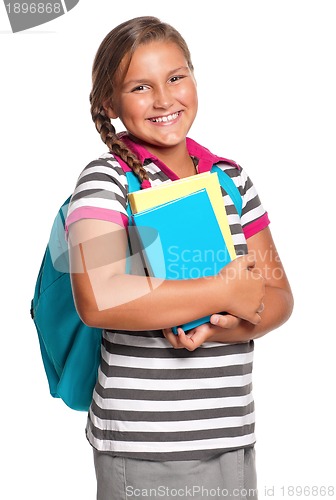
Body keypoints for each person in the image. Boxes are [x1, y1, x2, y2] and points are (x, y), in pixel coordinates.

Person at [66, 16, 293, 500]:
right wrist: (222, 291)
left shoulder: (232, 178)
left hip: (230, 436)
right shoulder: (106, 181)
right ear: (110, 103)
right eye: (141, 87)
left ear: (194, 76)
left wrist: (228, 324)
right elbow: (98, 297)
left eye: (176, 77)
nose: (165, 99)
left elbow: (277, 296)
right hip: (144, 445)